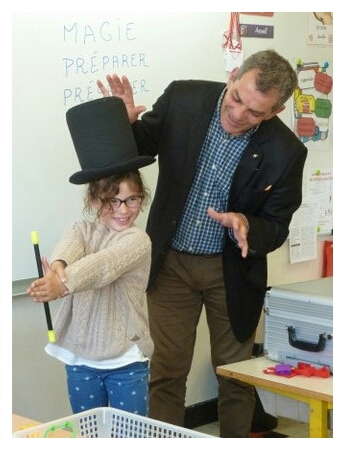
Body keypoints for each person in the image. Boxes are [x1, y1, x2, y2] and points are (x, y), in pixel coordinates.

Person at [96, 48, 308, 438]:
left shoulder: (287, 151)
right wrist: (124, 124)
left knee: (234, 375)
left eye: (255, 113)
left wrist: (247, 224)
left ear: (274, 112)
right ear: (232, 77)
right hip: (170, 262)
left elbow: (277, 225)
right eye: (237, 98)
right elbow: (140, 147)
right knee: (166, 371)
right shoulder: (184, 98)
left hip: (230, 272)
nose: (238, 114)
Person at [27, 97, 156, 416]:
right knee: (88, 434)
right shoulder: (82, 229)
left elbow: (105, 266)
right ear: (94, 199)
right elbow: (70, 246)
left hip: (126, 359)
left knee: (130, 436)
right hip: (80, 358)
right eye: (112, 201)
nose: (123, 210)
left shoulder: (137, 239)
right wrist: (57, 269)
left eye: (132, 200)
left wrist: (63, 284)